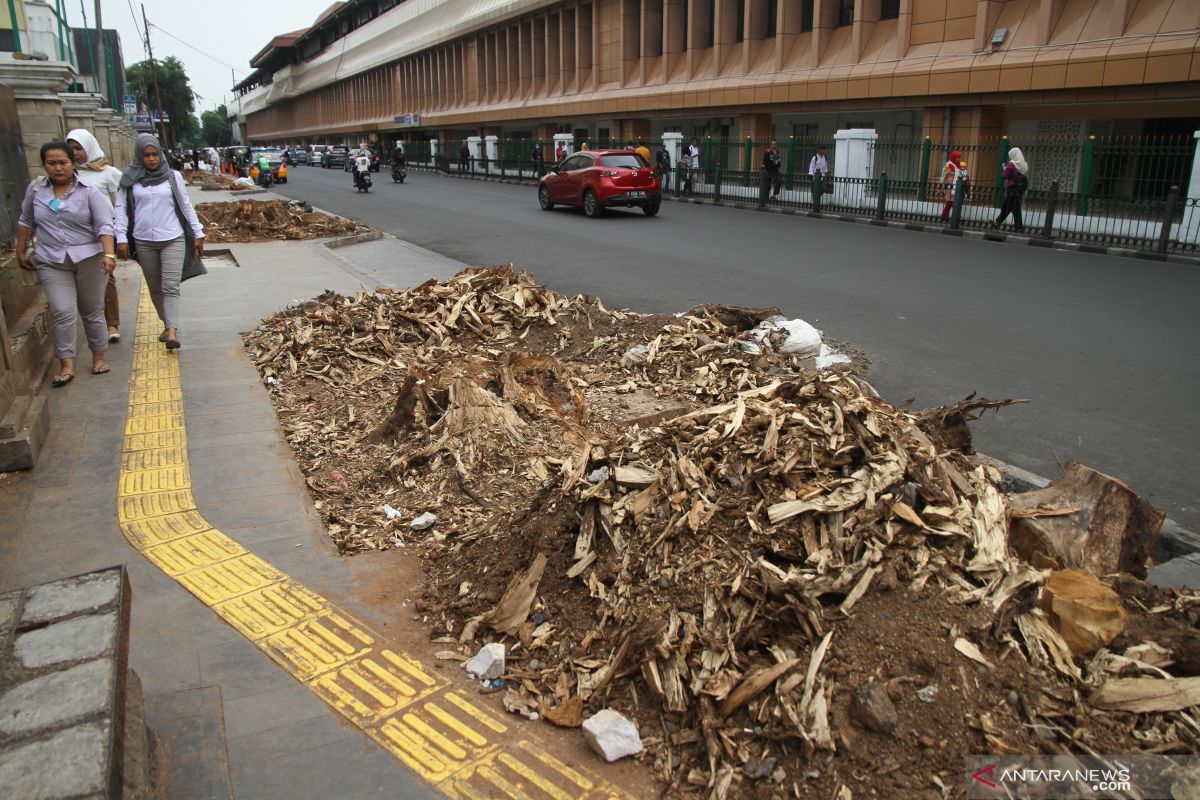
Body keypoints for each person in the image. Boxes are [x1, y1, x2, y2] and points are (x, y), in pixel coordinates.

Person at [15, 141, 117, 385]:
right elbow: (25, 221)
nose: (58, 168)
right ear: (44, 166)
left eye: (63, 162)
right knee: (62, 310)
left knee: (92, 310)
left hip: (90, 259)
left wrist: (108, 254)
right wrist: (20, 252)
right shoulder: (37, 190)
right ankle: (67, 364)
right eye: (52, 163)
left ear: (73, 163)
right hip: (51, 259)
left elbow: (104, 225)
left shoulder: (89, 192)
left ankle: (99, 357)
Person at [116, 133, 205, 351]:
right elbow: (120, 209)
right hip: (143, 240)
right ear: (139, 156)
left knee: (170, 286)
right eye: (146, 155)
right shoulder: (129, 178)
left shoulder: (172, 176)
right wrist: (120, 238)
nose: (151, 159)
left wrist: (198, 233)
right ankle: (166, 324)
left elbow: (185, 205)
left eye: (155, 154)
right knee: (155, 288)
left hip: (172, 237)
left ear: (160, 155)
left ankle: (172, 331)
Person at [66, 128, 124, 344]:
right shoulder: (66, 174)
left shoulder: (107, 172)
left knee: (105, 276)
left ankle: (112, 323)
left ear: (88, 147)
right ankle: (92, 322)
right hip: (74, 235)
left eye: (78, 148)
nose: (75, 153)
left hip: (102, 234)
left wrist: (120, 233)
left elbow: (120, 203)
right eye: (70, 148)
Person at [994, 147, 1029, 231]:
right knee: (1012, 206)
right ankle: (999, 222)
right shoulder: (1024, 164)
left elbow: (1005, 176)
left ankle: (1017, 226)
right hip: (1020, 189)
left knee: (1010, 206)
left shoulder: (1011, 164)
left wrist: (1004, 169)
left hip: (1012, 188)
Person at [941, 150, 962, 221]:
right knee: (951, 202)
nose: (958, 159)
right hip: (949, 186)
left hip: (956, 187)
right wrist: (940, 184)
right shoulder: (949, 165)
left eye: (959, 157)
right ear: (954, 157)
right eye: (957, 157)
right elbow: (944, 175)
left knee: (950, 203)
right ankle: (956, 217)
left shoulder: (959, 166)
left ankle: (944, 217)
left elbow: (962, 175)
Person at [761, 140, 782, 205]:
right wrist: (764, 167)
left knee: (778, 181)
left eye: (775, 144)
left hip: (776, 170)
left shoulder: (777, 152)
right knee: (768, 184)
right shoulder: (767, 152)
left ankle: (774, 195)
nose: (774, 145)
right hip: (769, 170)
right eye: (773, 144)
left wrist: (779, 165)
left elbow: (778, 160)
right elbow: (764, 160)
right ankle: (766, 198)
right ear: (771, 145)